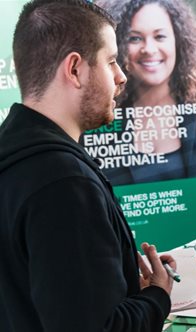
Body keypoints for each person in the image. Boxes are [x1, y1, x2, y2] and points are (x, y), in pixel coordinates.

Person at [0, 1, 176, 331]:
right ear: (75, 69)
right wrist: (157, 295)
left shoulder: (15, 154)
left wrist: (119, 285)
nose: (121, 76)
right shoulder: (64, 184)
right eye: (110, 61)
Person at [89, 0, 196, 185]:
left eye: (159, 37)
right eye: (134, 38)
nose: (149, 49)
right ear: (117, 45)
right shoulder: (98, 115)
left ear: (179, 41)